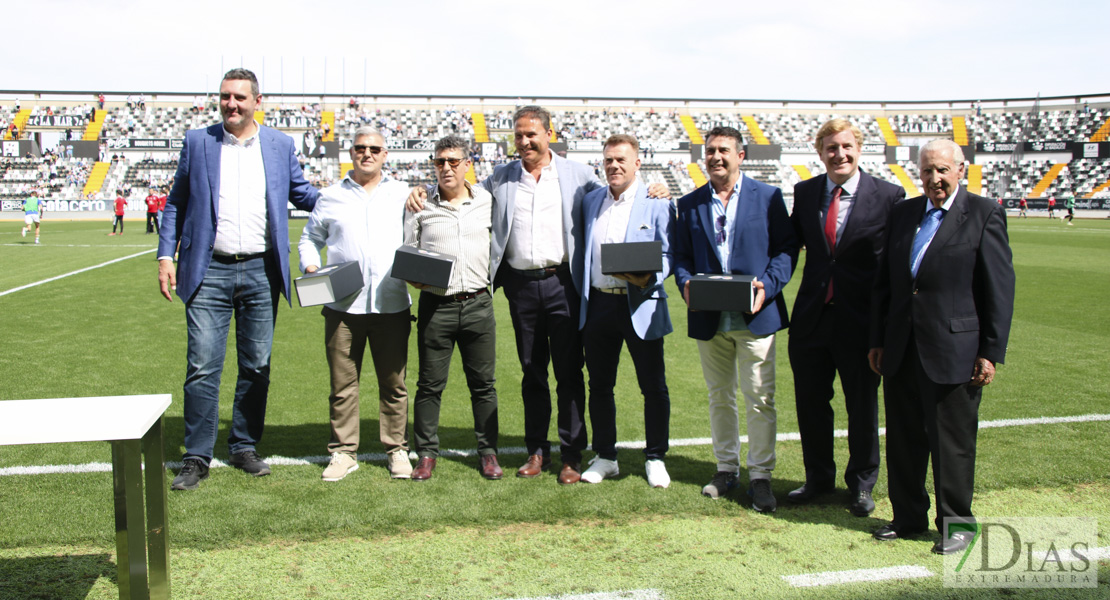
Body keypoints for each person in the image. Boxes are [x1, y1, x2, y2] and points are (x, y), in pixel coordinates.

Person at [157, 68, 318, 491]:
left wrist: (359, 192)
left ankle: (244, 445)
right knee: (202, 365)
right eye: (225, 97)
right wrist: (165, 255)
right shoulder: (198, 141)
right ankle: (196, 455)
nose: (231, 104)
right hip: (208, 269)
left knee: (257, 364)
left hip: (263, 271)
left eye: (239, 98)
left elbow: (304, 196)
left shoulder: (280, 145)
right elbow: (175, 202)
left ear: (256, 102)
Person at [868, 140, 1015, 555]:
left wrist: (990, 350)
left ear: (960, 170)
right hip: (901, 348)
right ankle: (908, 517)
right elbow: (887, 285)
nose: (935, 178)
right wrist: (878, 339)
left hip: (956, 351)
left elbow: (999, 289)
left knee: (951, 443)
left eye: (942, 170)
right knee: (903, 439)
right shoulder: (903, 213)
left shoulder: (984, 213)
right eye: (928, 171)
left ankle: (958, 525)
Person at [672, 126, 797, 512]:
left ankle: (761, 475)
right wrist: (686, 284)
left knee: (760, 399)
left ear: (740, 155)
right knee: (719, 397)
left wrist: (768, 286)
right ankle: (726, 468)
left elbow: (786, 250)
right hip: (711, 319)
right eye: (710, 151)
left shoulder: (769, 197)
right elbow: (680, 258)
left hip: (754, 317)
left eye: (724, 150)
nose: (716, 157)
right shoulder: (689, 202)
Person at [787, 119, 905, 516]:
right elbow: (788, 247)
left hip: (861, 322)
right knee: (811, 404)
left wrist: (887, 326)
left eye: (847, 146)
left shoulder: (889, 195)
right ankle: (818, 479)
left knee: (862, 406)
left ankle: (861, 484)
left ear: (860, 148)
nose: (840, 154)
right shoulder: (804, 193)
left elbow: (895, 266)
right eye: (831, 148)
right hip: (811, 319)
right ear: (819, 152)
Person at [298, 127, 414, 482]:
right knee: (342, 385)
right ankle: (344, 453)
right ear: (351, 152)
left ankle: (396, 449)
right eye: (361, 148)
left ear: (385, 154)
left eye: (374, 148)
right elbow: (308, 239)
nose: (367, 153)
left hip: (391, 303)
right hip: (342, 306)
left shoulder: (403, 194)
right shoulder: (330, 196)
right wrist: (313, 268)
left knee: (394, 384)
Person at [577, 134, 675, 488]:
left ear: (637, 163)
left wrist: (649, 274)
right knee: (600, 384)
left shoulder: (657, 202)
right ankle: (606, 456)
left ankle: (656, 456)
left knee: (653, 385)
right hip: (600, 302)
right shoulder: (591, 201)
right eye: (608, 160)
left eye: (621, 160)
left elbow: (670, 253)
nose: (614, 166)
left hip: (642, 302)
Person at [403, 135, 501, 482]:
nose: (446, 167)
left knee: (484, 385)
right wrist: (413, 275)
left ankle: (488, 452)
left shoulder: (487, 201)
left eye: (453, 161)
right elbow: (408, 250)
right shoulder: (419, 204)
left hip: (477, 302)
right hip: (436, 305)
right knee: (429, 385)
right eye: (440, 161)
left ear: (467, 164)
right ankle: (426, 454)